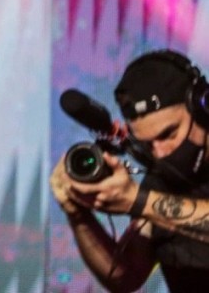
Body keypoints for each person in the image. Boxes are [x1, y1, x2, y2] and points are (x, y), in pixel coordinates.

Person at [49, 49, 209, 292]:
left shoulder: (147, 197)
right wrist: (79, 215)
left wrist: (137, 201)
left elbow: (141, 202)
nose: (160, 152)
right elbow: (125, 277)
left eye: (168, 134)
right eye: (147, 144)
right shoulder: (161, 181)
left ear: (203, 108)